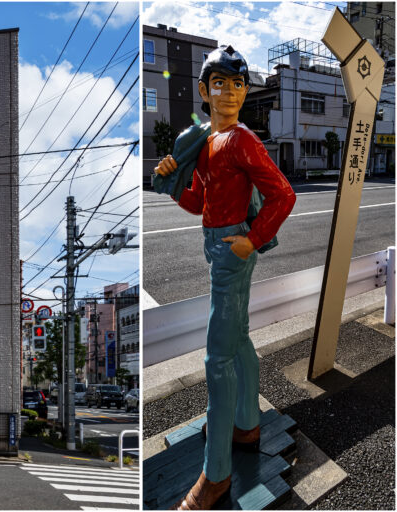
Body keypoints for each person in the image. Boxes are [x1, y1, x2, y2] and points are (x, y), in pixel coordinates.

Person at [154, 45, 295, 510]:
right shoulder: (207, 142)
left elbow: (283, 195)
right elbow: (199, 202)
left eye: (238, 84)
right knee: (239, 343)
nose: (230, 92)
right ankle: (248, 425)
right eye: (221, 83)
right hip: (220, 244)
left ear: (245, 90)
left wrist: (251, 240)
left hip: (233, 250)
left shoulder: (241, 139)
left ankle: (216, 475)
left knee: (217, 359)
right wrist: (174, 179)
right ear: (204, 91)